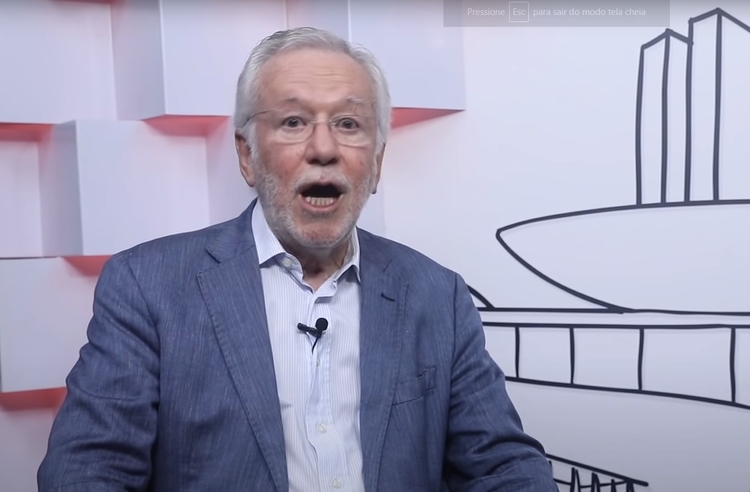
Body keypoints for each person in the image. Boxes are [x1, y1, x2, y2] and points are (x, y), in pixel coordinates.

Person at [38, 27, 557, 491]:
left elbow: (501, 466)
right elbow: (87, 469)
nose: (323, 148)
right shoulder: (146, 285)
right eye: (293, 121)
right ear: (247, 156)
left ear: (377, 163)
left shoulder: (437, 295)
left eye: (349, 123)